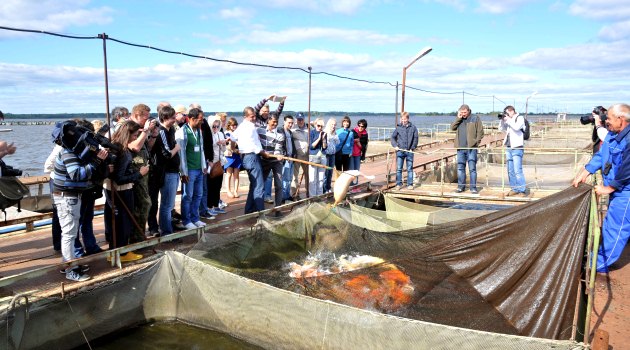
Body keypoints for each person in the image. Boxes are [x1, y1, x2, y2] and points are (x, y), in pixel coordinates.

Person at [573, 103, 630, 273]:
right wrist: (586, 171)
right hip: (618, 190)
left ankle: (596, 264)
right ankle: (596, 255)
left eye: (609, 119)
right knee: (609, 225)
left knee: (616, 228)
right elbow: (601, 155)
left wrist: (610, 187)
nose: (607, 122)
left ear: (621, 120)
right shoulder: (613, 135)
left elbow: (628, 168)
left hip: (625, 193)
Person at [52, 123, 109, 282]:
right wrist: (96, 161)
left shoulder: (72, 151)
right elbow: (76, 174)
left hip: (70, 195)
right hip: (66, 196)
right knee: (69, 233)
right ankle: (71, 269)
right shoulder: (68, 153)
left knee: (70, 231)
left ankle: (69, 264)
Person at [106, 121, 147, 262]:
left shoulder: (115, 147)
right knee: (123, 223)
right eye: (135, 135)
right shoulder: (122, 151)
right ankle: (122, 253)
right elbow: (119, 178)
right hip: (122, 191)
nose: (136, 138)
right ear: (128, 133)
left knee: (115, 223)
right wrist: (139, 174)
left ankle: (114, 252)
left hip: (113, 190)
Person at [127, 103, 158, 242]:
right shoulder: (128, 127)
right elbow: (134, 147)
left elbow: (146, 148)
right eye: (145, 117)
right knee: (144, 204)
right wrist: (145, 131)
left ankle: (139, 234)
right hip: (135, 172)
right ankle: (136, 237)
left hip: (144, 171)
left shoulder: (140, 129)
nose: (147, 120)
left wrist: (153, 136)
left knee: (144, 204)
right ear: (136, 115)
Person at [230, 107, 268, 214]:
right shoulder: (251, 127)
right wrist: (263, 153)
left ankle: (249, 209)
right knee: (259, 186)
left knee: (254, 185)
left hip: (245, 158)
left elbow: (232, 138)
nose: (254, 118)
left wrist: (234, 149)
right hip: (252, 157)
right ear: (245, 117)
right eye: (252, 116)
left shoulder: (241, 126)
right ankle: (261, 213)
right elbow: (256, 146)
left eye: (255, 116)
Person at [175, 107, 207, 230]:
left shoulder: (199, 131)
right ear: (192, 119)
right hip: (189, 170)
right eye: (200, 119)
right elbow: (181, 153)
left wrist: (204, 165)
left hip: (199, 168)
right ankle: (186, 220)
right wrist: (183, 171)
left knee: (198, 195)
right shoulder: (182, 131)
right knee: (187, 196)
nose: (202, 122)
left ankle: (195, 218)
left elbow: (202, 149)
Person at [152, 106, 181, 236]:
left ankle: (168, 228)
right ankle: (166, 232)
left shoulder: (171, 130)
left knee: (170, 204)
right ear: (164, 118)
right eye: (172, 118)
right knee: (167, 204)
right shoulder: (162, 131)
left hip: (174, 171)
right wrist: (177, 148)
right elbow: (167, 154)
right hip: (167, 171)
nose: (175, 120)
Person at [450, 104, 484, 194]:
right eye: (462, 113)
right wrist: (458, 118)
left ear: (468, 111)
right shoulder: (459, 119)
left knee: (472, 169)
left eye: (465, 112)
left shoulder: (475, 118)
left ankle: (473, 188)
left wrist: (476, 142)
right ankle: (461, 187)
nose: (463, 114)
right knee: (460, 168)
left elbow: (480, 132)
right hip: (460, 148)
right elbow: (452, 128)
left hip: (471, 148)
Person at [258, 114, 286, 207]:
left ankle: (278, 207)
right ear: (268, 121)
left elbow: (278, 149)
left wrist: (277, 155)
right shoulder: (259, 130)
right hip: (263, 161)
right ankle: (259, 207)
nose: (275, 123)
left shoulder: (280, 134)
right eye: (273, 121)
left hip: (276, 162)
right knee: (260, 184)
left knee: (279, 184)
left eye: (277, 122)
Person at [500, 105, 527, 196]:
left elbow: (516, 127)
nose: (506, 115)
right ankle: (514, 189)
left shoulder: (520, 118)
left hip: (517, 147)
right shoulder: (509, 120)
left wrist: (508, 120)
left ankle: (522, 190)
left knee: (517, 170)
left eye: (507, 113)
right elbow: (501, 129)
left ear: (512, 111)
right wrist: (502, 120)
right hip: (508, 147)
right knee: (510, 170)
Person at [391, 111, 418, 189]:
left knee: (409, 168)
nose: (403, 120)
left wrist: (413, 148)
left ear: (408, 119)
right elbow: (393, 137)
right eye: (402, 119)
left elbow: (415, 138)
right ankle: (398, 184)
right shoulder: (398, 127)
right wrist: (395, 145)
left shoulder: (413, 127)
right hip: (400, 151)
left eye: (405, 119)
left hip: (409, 151)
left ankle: (410, 184)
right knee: (399, 168)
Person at [207, 115, 227, 216]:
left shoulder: (220, 134)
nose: (215, 128)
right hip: (211, 163)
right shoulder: (208, 135)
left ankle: (216, 205)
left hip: (220, 162)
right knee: (211, 186)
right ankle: (209, 207)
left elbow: (224, 150)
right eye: (213, 126)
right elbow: (207, 149)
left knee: (218, 186)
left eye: (217, 126)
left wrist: (223, 144)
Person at [292, 113, 309, 199]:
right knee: (295, 175)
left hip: (307, 156)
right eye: (298, 119)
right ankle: (294, 193)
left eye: (302, 119)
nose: (300, 121)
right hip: (297, 155)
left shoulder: (309, 128)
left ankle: (308, 191)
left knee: (308, 175)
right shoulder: (293, 129)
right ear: (296, 120)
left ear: (304, 119)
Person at [308, 118, 328, 196]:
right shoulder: (311, 133)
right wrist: (319, 138)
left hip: (322, 156)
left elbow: (325, 147)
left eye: (321, 126)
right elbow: (311, 146)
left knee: (320, 179)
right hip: (313, 156)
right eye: (318, 125)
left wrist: (323, 140)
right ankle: (312, 197)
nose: (320, 128)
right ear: (315, 125)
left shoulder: (324, 133)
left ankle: (319, 196)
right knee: (313, 179)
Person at [224, 117, 242, 198]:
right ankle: (228, 190)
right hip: (229, 156)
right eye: (233, 125)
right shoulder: (226, 133)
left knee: (236, 174)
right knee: (229, 174)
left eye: (235, 125)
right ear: (229, 125)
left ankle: (235, 191)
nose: (234, 126)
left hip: (237, 156)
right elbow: (225, 146)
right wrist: (234, 150)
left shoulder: (238, 133)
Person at [281, 115, 295, 202]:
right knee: (285, 179)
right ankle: (283, 196)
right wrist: (285, 156)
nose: (290, 124)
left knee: (289, 178)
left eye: (292, 123)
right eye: (289, 122)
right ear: (284, 122)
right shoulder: (280, 131)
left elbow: (292, 145)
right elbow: (280, 145)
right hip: (285, 159)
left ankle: (287, 194)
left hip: (291, 159)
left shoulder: (290, 132)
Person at [350, 119, 368, 187]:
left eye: (362, 126)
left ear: (364, 127)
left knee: (357, 171)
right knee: (351, 171)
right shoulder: (352, 131)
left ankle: (355, 185)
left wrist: (358, 142)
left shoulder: (365, 135)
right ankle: (350, 185)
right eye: (359, 125)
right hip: (351, 154)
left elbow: (363, 147)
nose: (360, 127)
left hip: (358, 154)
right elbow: (349, 142)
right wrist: (355, 140)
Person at [323, 118, 339, 193]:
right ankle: (324, 189)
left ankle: (328, 187)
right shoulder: (325, 132)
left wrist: (335, 136)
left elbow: (338, 142)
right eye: (332, 124)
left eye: (335, 125)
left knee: (330, 172)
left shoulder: (335, 133)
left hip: (333, 154)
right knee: (325, 172)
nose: (333, 126)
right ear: (329, 124)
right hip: (326, 154)